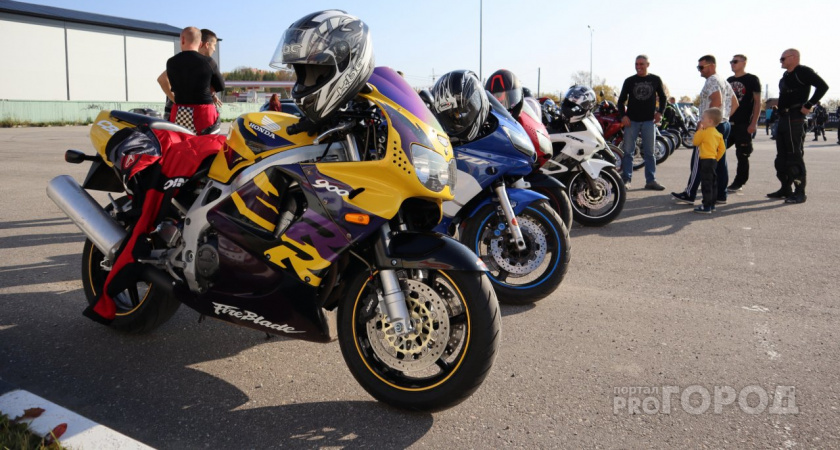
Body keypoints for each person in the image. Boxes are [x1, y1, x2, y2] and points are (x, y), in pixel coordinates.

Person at [672, 55, 738, 205]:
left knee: (699, 160)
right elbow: (735, 103)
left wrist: (705, 123)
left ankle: (690, 193)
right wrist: (724, 117)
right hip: (723, 124)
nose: (699, 70)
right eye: (698, 67)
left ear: (712, 66)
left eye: (701, 67)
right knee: (719, 161)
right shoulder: (723, 80)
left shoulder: (712, 80)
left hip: (711, 126)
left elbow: (717, 100)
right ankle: (721, 195)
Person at [768, 49, 829, 204]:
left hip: (795, 118)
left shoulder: (803, 71)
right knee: (781, 159)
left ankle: (800, 192)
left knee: (794, 156)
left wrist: (808, 104)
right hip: (783, 119)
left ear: (793, 58)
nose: (780, 61)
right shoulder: (786, 75)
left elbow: (823, 86)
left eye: (783, 58)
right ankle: (785, 188)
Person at [157, 27, 225, 134]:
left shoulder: (171, 62)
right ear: (201, 43)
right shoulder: (209, 62)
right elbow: (220, 86)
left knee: (181, 142)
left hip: (180, 110)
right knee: (207, 142)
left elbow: (162, 79)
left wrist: (174, 99)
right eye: (214, 45)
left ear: (183, 40)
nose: (214, 49)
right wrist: (209, 92)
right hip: (204, 112)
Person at [616, 55, 667, 190]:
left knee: (650, 153)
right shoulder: (629, 81)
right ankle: (626, 180)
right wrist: (623, 116)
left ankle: (651, 180)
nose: (638, 67)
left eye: (641, 64)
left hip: (649, 121)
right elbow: (620, 101)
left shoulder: (655, 79)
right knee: (628, 152)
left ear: (647, 65)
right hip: (631, 121)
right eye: (636, 64)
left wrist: (660, 113)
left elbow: (663, 98)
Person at [725, 54, 761, 192]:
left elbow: (757, 102)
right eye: (731, 61)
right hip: (728, 123)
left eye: (735, 61)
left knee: (742, 155)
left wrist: (754, 123)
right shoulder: (729, 80)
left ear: (744, 63)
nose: (732, 64)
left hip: (744, 124)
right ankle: (717, 179)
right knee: (717, 151)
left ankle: (739, 182)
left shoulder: (752, 79)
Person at [692, 108, 726, 214]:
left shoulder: (704, 132)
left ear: (710, 121)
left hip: (705, 160)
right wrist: (716, 158)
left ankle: (706, 206)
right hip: (713, 160)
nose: (701, 120)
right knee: (713, 183)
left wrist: (699, 130)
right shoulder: (718, 134)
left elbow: (695, 142)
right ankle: (712, 204)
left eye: (703, 118)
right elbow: (722, 149)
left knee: (706, 183)